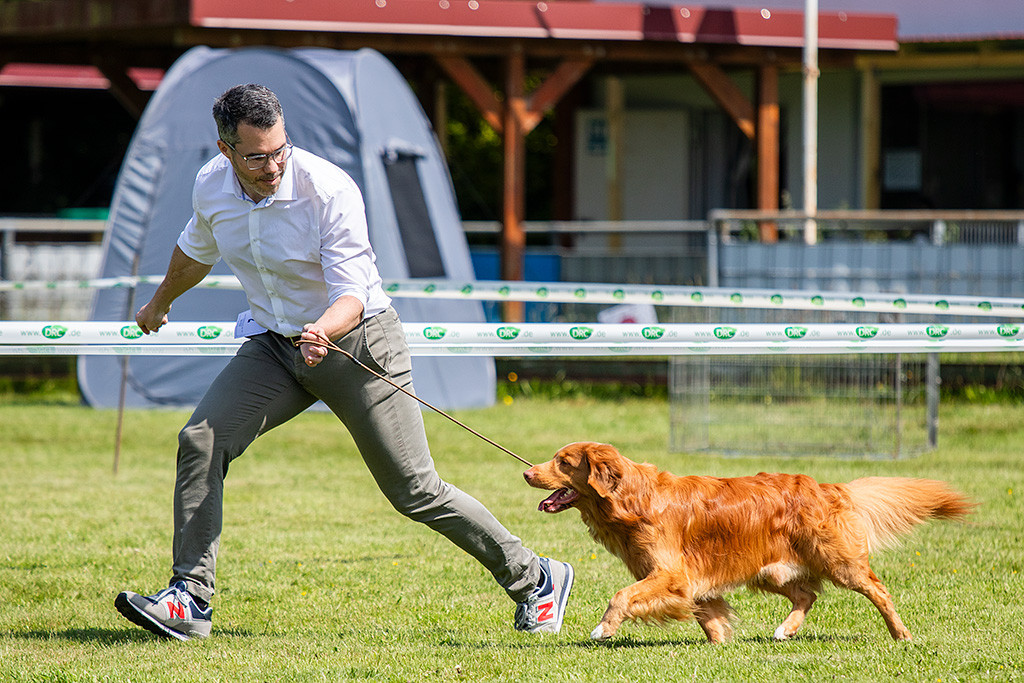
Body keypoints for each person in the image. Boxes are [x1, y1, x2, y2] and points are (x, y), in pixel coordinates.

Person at [114, 83, 573, 641]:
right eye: (256, 157)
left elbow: (352, 291)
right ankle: (190, 598)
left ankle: (536, 577)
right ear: (225, 150)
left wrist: (323, 329)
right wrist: (160, 302)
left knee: (415, 490)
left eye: (280, 150)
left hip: (357, 343)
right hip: (275, 346)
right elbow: (196, 248)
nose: (272, 166)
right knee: (201, 441)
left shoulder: (328, 189)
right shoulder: (211, 185)